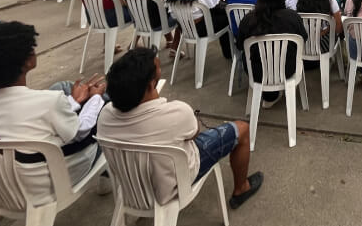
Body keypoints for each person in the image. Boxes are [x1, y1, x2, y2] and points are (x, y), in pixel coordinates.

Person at [0, 22, 108, 204]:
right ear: (27, 61)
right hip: (52, 182)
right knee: (107, 110)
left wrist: (74, 101)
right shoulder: (48, 102)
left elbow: (26, 116)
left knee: (61, 88)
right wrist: (96, 98)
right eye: (31, 47)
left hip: (1, 186)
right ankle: (109, 178)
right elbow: (80, 131)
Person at [97, 48, 262, 209]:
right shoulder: (176, 113)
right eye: (158, 72)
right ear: (149, 86)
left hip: (133, 187)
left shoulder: (104, 116)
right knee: (242, 128)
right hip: (174, 183)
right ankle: (242, 188)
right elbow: (194, 134)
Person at [235, 0, 308, 108]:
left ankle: (269, 96)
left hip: (256, 71)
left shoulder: (248, 19)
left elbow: (240, 46)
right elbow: (303, 39)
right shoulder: (292, 17)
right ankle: (271, 95)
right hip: (287, 68)